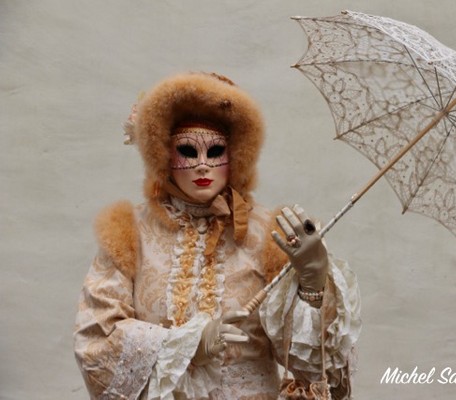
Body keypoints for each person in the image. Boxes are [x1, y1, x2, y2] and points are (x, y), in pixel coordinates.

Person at [74, 72, 361, 400]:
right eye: (187, 150)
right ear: (164, 154)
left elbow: (317, 373)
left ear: (236, 155)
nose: (201, 165)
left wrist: (312, 284)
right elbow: (96, 340)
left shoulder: (269, 234)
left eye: (215, 152)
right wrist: (186, 346)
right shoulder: (130, 231)